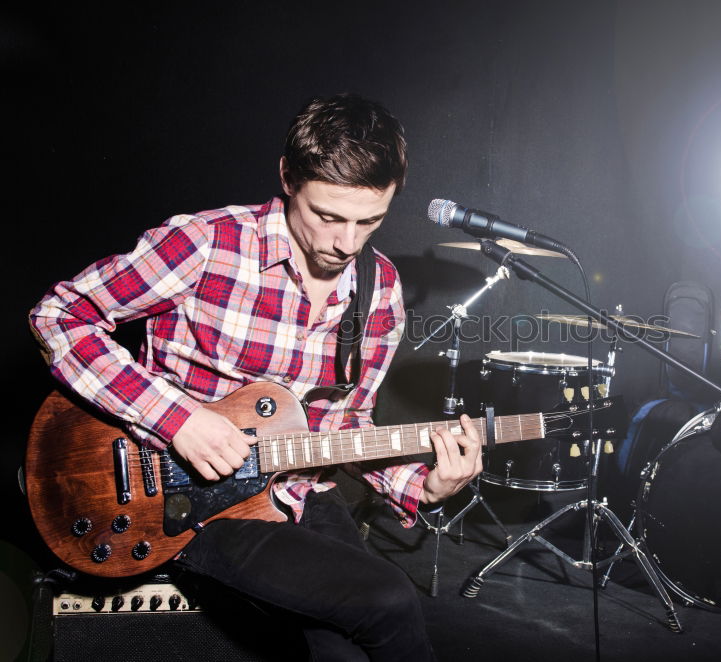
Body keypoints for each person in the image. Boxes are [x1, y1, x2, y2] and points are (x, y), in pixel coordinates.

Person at [29, 93, 482, 661]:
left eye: (370, 220)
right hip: (189, 502)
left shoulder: (380, 288)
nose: (345, 243)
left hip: (297, 491)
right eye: (328, 216)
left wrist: (424, 486)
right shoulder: (207, 244)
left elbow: (347, 424)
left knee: (343, 650)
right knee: (390, 597)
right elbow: (60, 317)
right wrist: (178, 420)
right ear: (288, 177)